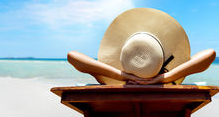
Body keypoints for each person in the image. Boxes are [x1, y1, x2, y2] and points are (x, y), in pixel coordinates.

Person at [67, 48, 216, 85]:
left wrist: (122, 76)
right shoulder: (171, 80)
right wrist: (164, 78)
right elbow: (210, 54)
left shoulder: (110, 79)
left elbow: (72, 56)